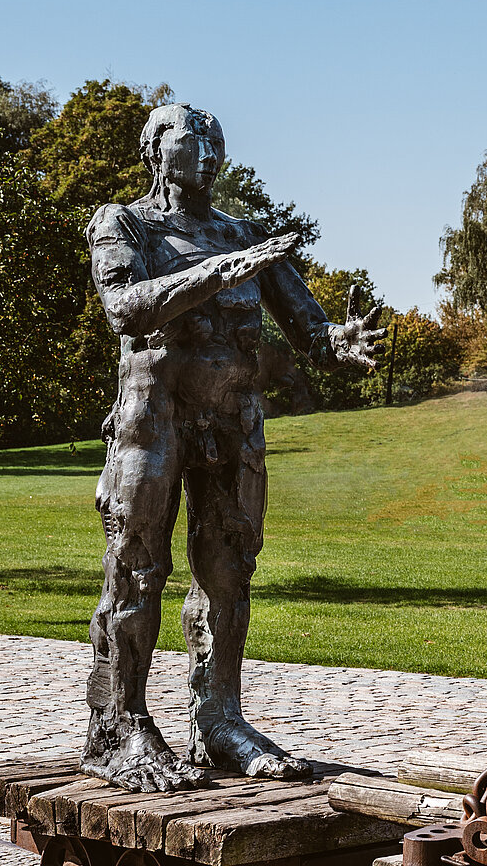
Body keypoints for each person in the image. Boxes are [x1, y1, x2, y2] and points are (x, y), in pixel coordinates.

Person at [82, 103, 383, 791]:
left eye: (219, 143)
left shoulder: (242, 235)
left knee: (227, 570)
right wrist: (216, 274)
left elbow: (310, 332)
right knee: (137, 567)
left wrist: (341, 340)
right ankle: (118, 724)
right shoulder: (124, 223)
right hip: (152, 416)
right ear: (157, 150)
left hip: (233, 418)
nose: (212, 154)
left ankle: (218, 719)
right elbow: (125, 309)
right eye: (196, 142)